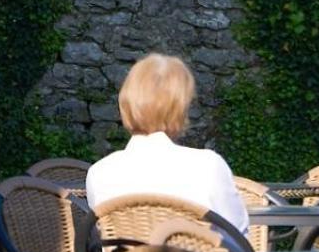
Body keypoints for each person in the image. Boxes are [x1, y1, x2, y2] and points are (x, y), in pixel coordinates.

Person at [85, 53, 249, 235]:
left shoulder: (99, 172)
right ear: (180, 108)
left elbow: (101, 240)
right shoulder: (208, 166)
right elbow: (238, 237)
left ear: (127, 102)